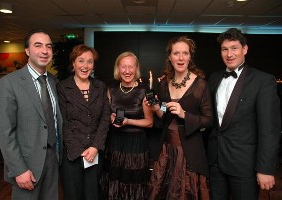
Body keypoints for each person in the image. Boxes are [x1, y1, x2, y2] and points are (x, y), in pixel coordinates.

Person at [208, 28, 281, 200]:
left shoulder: (263, 81)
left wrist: (266, 168)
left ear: (245, 49)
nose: (229, 54)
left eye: (234, 48)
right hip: (216, 162)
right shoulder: (214, 78)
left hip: (244, 165)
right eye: (225, 49)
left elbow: (269, 129)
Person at [0, 28, 63, 200]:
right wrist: (18, 169)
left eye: (48, 46)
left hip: (53, 159)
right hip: (27, 165)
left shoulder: (54, 82)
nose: (44, 51)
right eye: (38, 45)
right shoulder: (9, 83)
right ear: (27, 51)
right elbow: (5, 132)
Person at [146, 36, 214, 200]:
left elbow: (209, 120)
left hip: (190, 153)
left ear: (190, 57)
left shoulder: (200, 85)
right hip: (166, 152)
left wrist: (185, 114)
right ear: (170, 57)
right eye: (176, 53)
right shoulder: (163, 84)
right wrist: (157, 108)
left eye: (185, 53)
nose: (181, 58)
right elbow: (164, 112)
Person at [57, 44, 110, 200]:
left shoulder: (100, 87)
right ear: (73, 63)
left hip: (94, 153)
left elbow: (105, 118)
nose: (85, 66)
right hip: (71, 154)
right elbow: (62, 121)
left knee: (92, 195)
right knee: (73, 195)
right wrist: (79, 150)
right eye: (81, 61)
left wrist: (95, 147)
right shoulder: (62, 87)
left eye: (90, 62)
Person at [101, 52, 153, 200]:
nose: (127, 71)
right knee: (114, 184)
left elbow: (149, 122)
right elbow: (106, 114)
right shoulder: (111, 89)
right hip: (115, 143)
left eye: (131, 67)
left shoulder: (144, 91)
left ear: (136, 68)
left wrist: (129, 122)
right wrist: (110, 117)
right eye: (123, 66)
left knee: (133, 186)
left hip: (136, 146)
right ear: (118, 68)